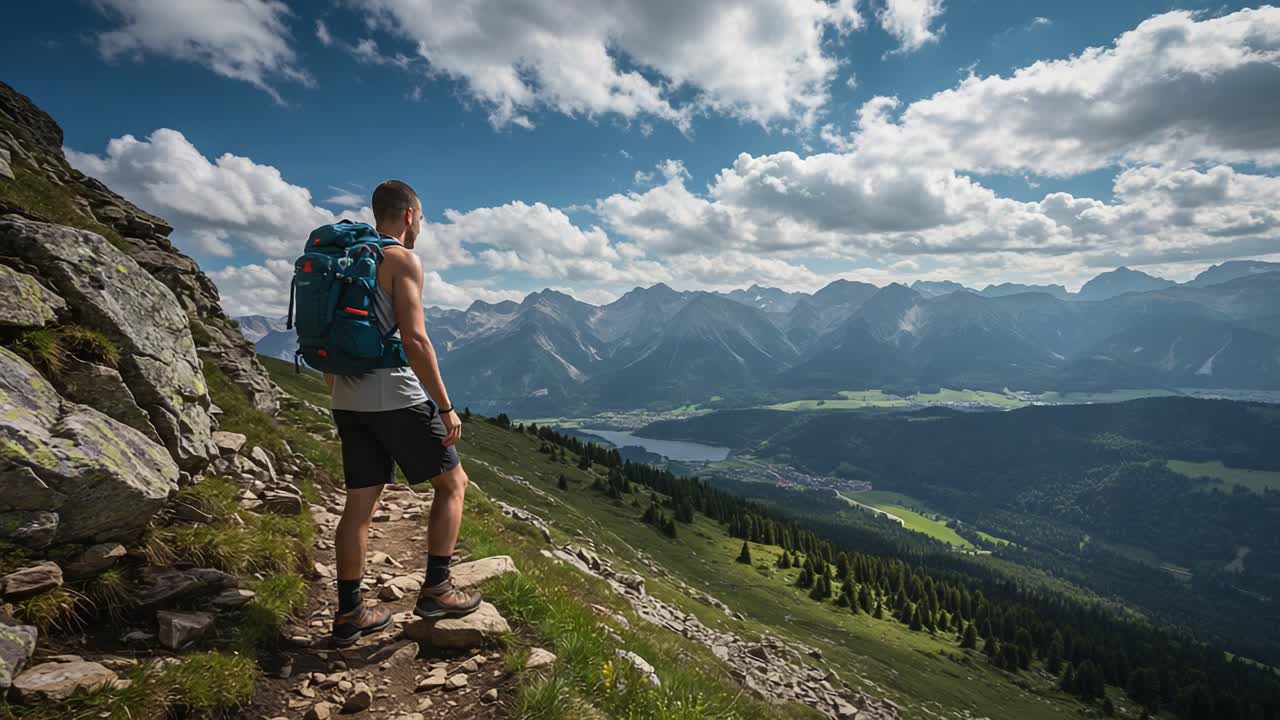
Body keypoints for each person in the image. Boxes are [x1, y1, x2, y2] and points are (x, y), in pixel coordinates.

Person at [324, 180, 481, 647]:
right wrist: (445, 406)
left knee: (359, 507)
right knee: (453, 484)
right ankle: (437, 588)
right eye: (422, 218)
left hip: (345, 398)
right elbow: (414, 340)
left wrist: (341, 391)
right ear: (410, 215)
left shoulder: (342, 262)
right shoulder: (401, 259)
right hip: (395, 394)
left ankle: (350, 612)